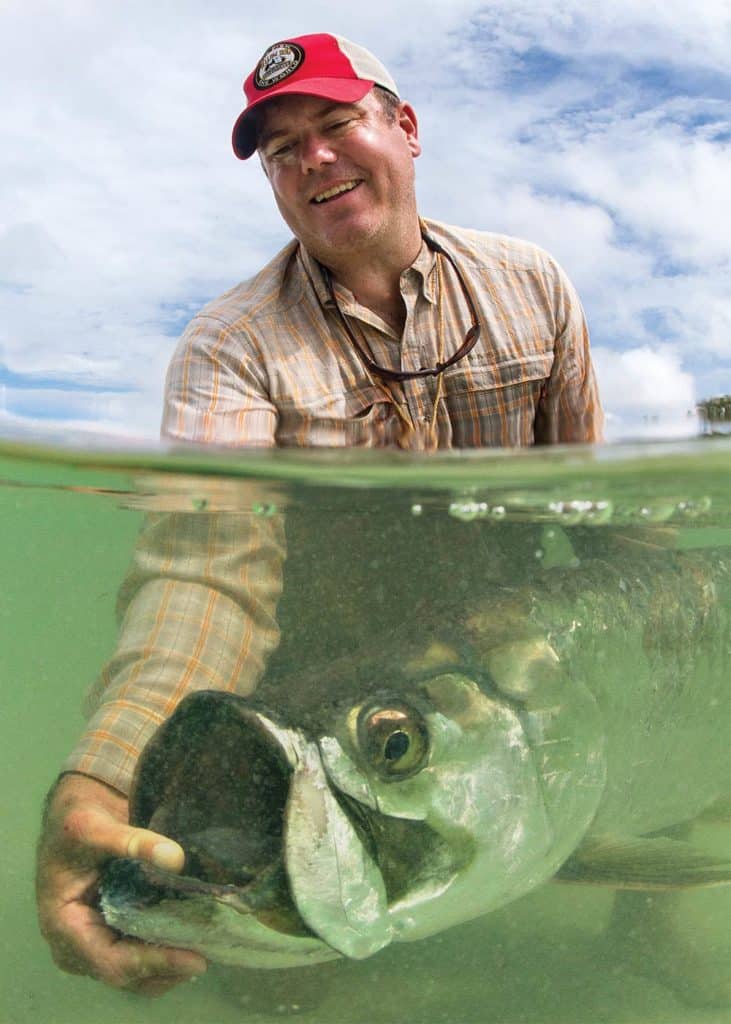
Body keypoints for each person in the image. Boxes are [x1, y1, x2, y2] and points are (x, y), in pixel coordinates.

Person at [35, 33, 603, 996]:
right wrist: (103, 776)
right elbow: (209, 570)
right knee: (269, 974)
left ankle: (655, 912)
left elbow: (589, 513)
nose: (312, 159)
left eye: (335, 123)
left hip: (512, 653)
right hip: (325, 683)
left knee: (662, 775)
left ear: (405, 128)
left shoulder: (531, 284)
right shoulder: (230, 345)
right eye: (280, 149)